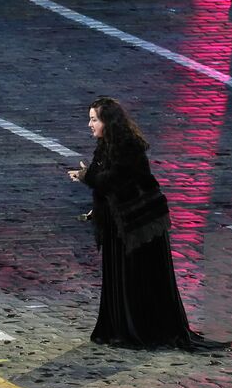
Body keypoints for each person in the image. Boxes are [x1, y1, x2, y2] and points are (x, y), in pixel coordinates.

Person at [67, 97, 199, 349]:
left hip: (139, 225)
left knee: (137, 278)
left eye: (94, 119)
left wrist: (86, 175)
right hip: (120, 223)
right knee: (120, 276)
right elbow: (98, 176)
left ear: (108, 121)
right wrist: (88, 176)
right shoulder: (105, 145)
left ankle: (140, 329)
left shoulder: (128, 147)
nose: (89, 124)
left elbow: (106, 180)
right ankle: (119, 328)